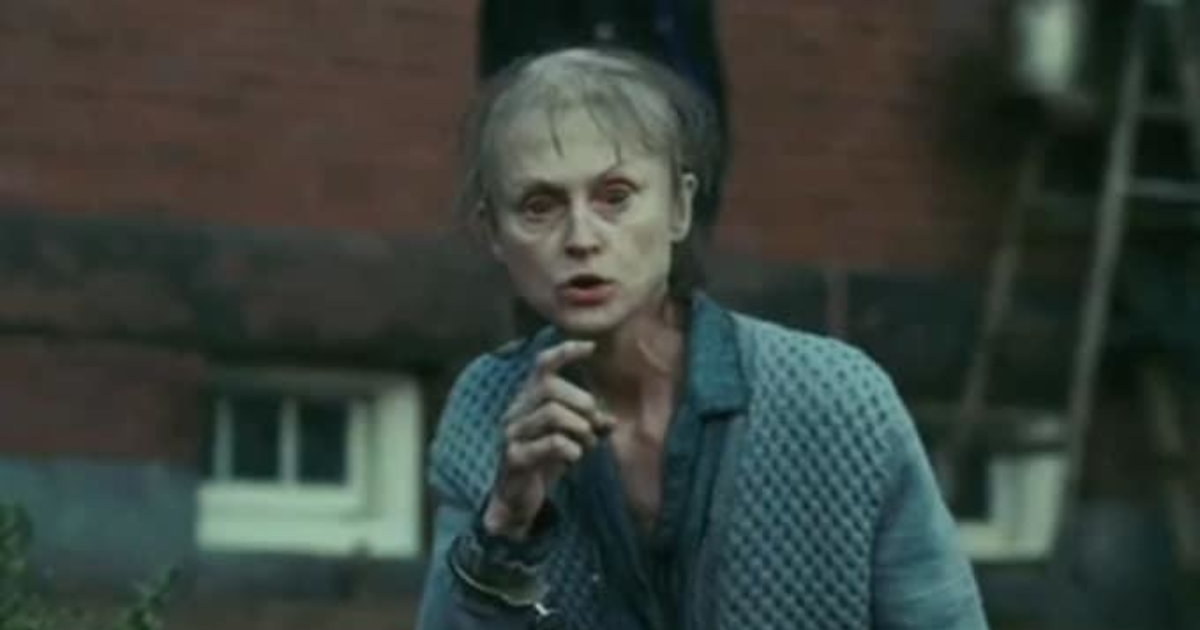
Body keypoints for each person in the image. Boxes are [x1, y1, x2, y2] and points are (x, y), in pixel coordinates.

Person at [416, 47, 988, 630]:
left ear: (679, 207)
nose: (581, 238)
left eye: (616, 196)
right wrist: (505, 526)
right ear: (494, 233)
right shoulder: (487, 410)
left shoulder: (836, 398)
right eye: (539, 206)